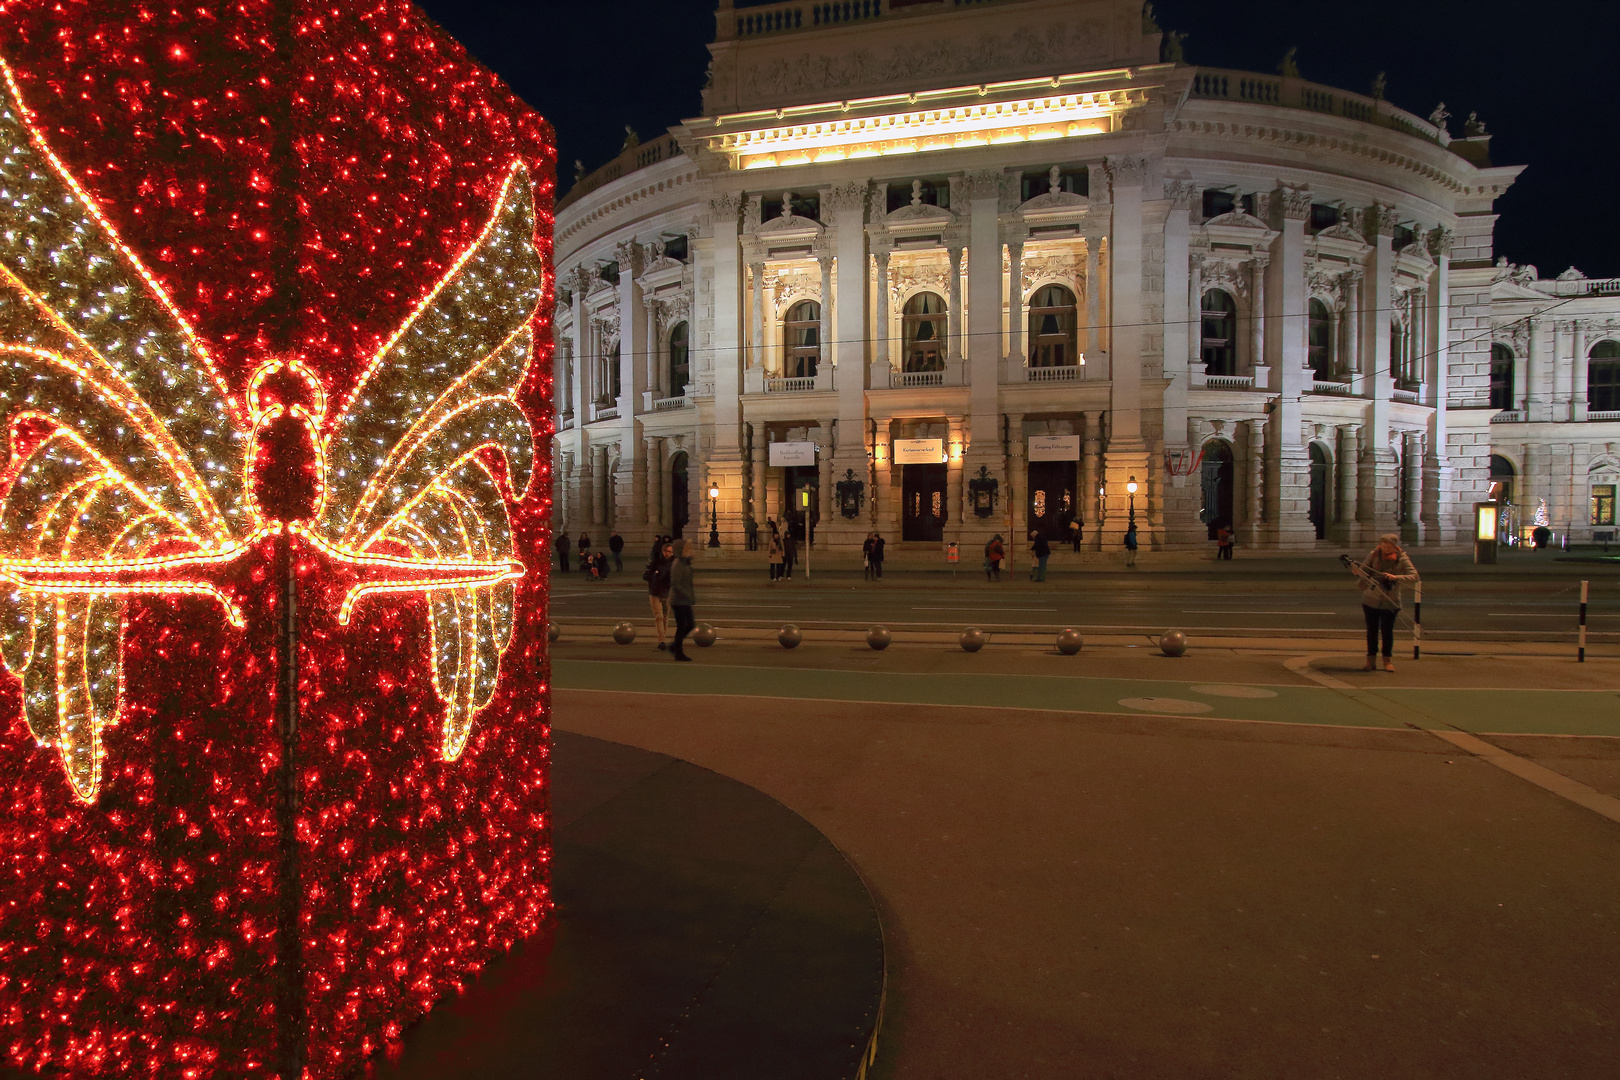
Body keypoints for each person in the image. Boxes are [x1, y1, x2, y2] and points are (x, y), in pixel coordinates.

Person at [1358, 533, 1419, 672]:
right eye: (1383, 544)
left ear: (1394, 546)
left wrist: (1395, 577)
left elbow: (1414, 576)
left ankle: (1387, 661)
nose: (1385, 547)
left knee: (1387, 632)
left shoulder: (1402, 558)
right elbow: (1363, 570)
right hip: (1371, 599)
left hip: (1391, 600)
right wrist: (1358, 571)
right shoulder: (1374, 554)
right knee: (1371, 631)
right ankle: (1370, 661)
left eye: (1388, 545)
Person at [668, 539, 697, 661]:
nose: (690, 551)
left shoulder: (685, 562)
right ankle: (678, 652)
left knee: (690, 625)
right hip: (678, 600)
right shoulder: (678, 563)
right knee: (682, 626)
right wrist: (687, 595)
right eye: (688, 549)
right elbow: (675, 583)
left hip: (684, 599)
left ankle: (675, 647)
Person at [645, 541, 673, 650]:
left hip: (667, 593)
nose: (668, 554)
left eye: (670, 552)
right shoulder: (655, 561)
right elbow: (646, 575)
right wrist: (655, 577)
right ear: (663, 551)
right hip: (655, 592)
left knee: (665, 618)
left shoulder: (674, 563)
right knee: (659, 616)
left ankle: (663, 638)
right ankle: (661, 640)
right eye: (667, 551)